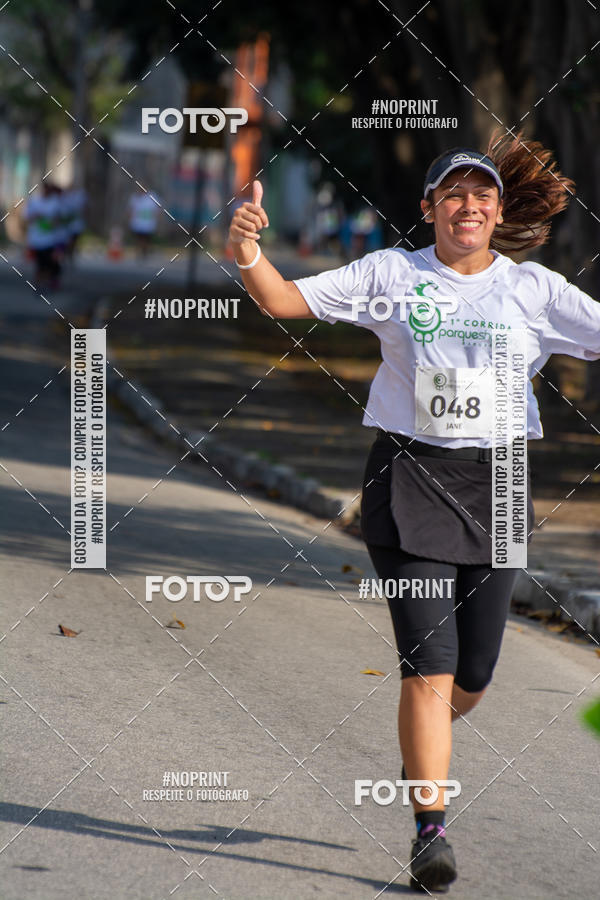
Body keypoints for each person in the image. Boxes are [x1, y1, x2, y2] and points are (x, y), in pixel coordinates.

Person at [228, 132, 600, 893]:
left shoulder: (533, 289)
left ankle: (422, 751)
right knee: (427, 670)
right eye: (455, 193)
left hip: (496, 483)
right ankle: (430, 828)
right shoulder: (393, 275)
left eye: (483, 194)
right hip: (409, 479)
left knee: (476, 673)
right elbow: (284, 300)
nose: (470, 205)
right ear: (429, 207)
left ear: (498, 211)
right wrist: (245, 251)